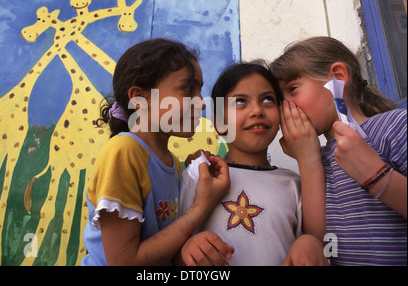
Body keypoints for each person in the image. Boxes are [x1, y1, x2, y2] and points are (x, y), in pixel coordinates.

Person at [81, 38, 230, 266]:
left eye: (200, 90)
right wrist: (201, 206)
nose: (201, 103)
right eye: (187, 88)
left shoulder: (171, 163)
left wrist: (190, 178)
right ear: (139, 98)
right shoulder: (124, 152)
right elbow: (124, 262)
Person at [270, 36, 407, 266]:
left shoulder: (394, 126)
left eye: (292, 89)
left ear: (338, 77)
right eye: (279, 100)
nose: (286, 107)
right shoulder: (318, 160)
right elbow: (321, 244)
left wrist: (376, 175)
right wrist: (307, 158)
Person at [179, 62, 328, 266]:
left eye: (267, 99)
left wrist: (309, 241)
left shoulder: (293, 183)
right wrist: (187, 250)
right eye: (241, 101)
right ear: (220, 123)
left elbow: (317, 245)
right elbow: (172, 248)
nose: (257, 110)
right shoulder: (201, 174)